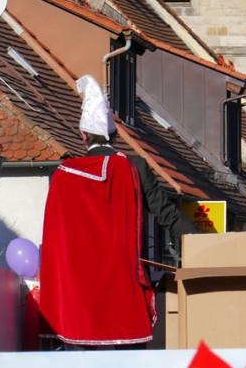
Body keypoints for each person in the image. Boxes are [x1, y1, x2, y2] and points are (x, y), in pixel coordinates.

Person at [39, 75, 189, 348]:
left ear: (83, 135)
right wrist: (209, 244)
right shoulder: (136, 167)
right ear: (114, 135)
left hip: (79, 302)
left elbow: (55, 242)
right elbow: (168, 216)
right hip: (124, 295)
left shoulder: (62, 175)